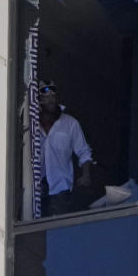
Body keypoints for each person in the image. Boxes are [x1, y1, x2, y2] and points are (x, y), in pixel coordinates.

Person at [36, 80, 96, 216]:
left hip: (60, 188)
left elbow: (83, 151)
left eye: (53, 96)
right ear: (39, 100)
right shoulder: (32, 124)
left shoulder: (70, 123)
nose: (51, 100)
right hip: (36, 190)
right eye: (46, 97)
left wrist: (86, 175)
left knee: (56, 228)